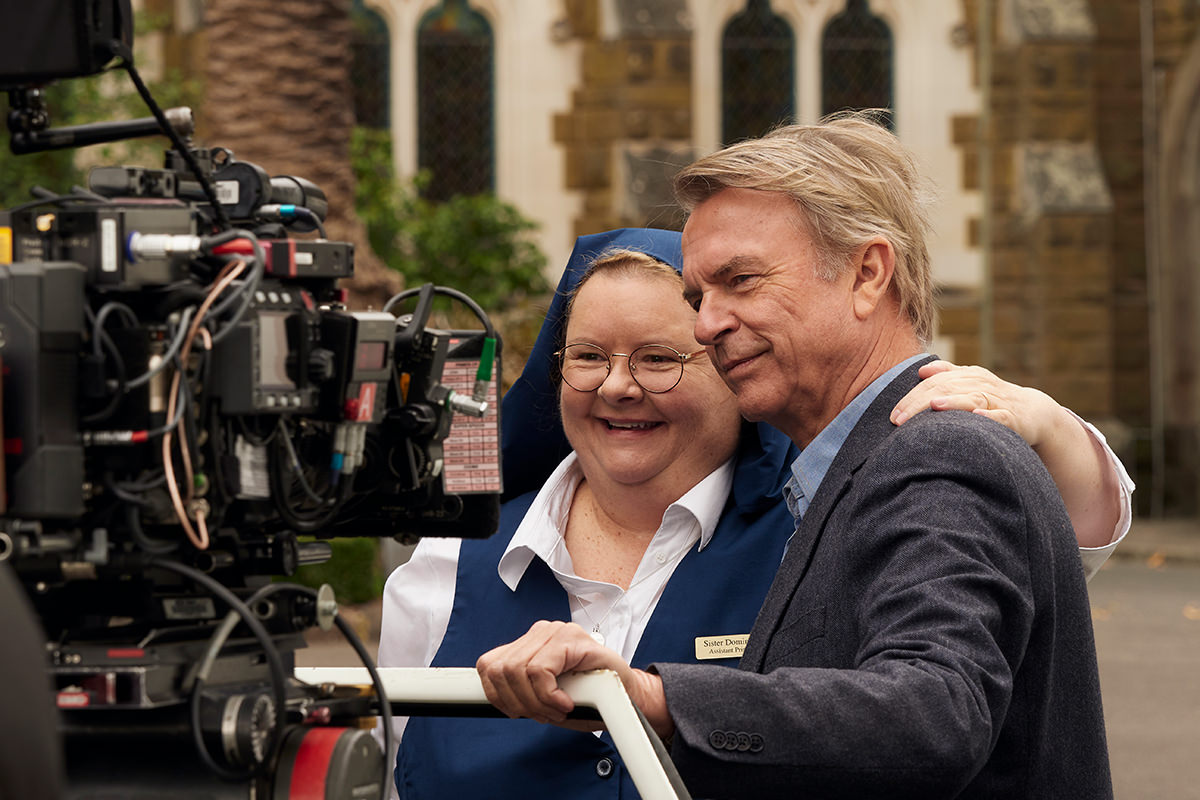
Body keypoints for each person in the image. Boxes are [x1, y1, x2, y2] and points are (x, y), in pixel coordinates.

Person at [475, 115, 1119, 799]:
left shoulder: (936, 451)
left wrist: (645, 695)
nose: (706, 323)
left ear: (868, 274)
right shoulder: (864, 465)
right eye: (700, 296)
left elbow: (935, 713)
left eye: (742, 281)